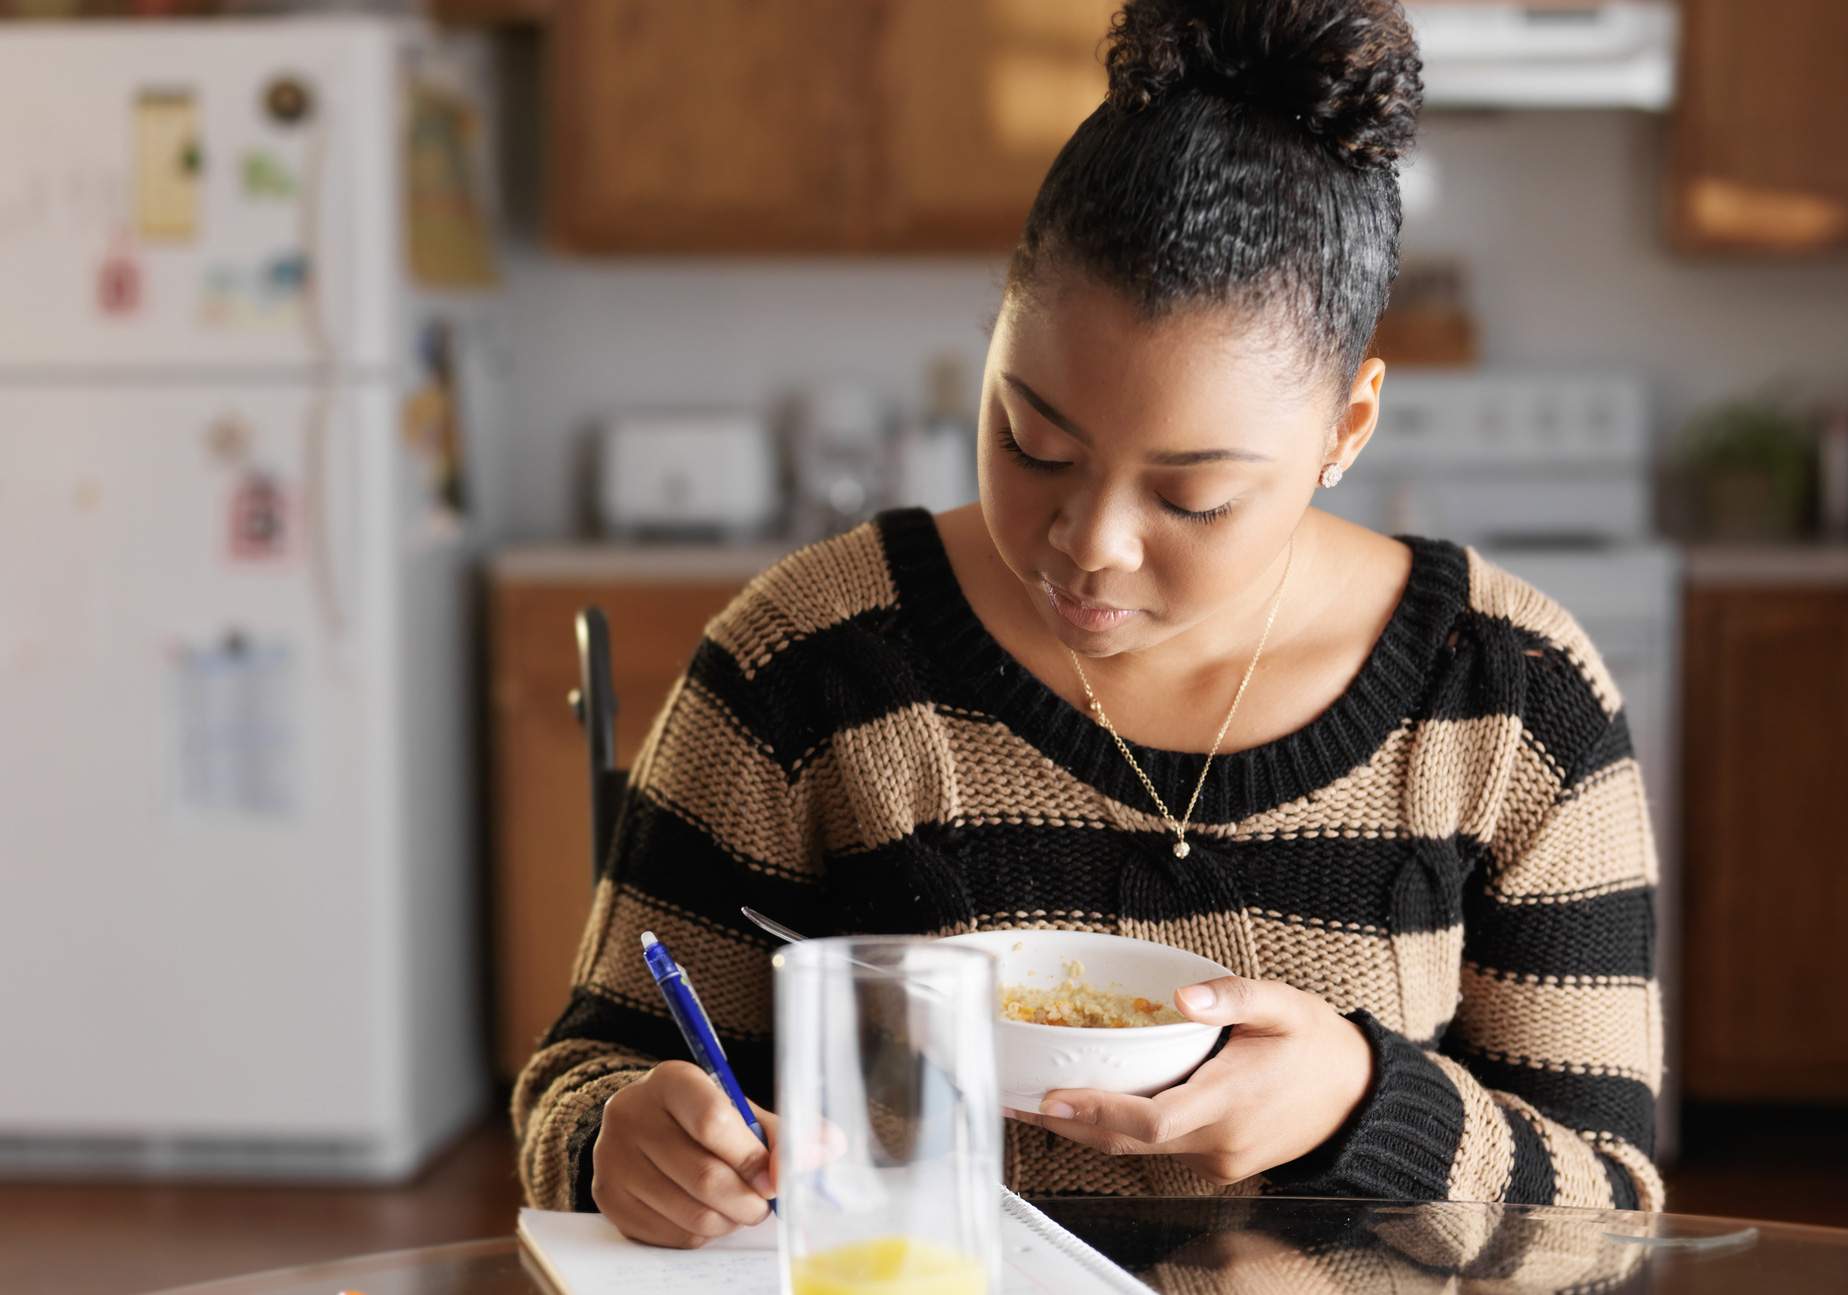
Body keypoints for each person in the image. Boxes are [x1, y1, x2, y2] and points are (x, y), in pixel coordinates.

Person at [514, 0, 1664, 1248]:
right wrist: (624, 1138)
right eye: (1032, 442)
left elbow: (1610, 1219)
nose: (1087, 544)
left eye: (1192, 496)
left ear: (1346, 428)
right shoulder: (812, 660)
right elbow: (583, 1081)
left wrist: (1358, 1102)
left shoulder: (1508, 696)